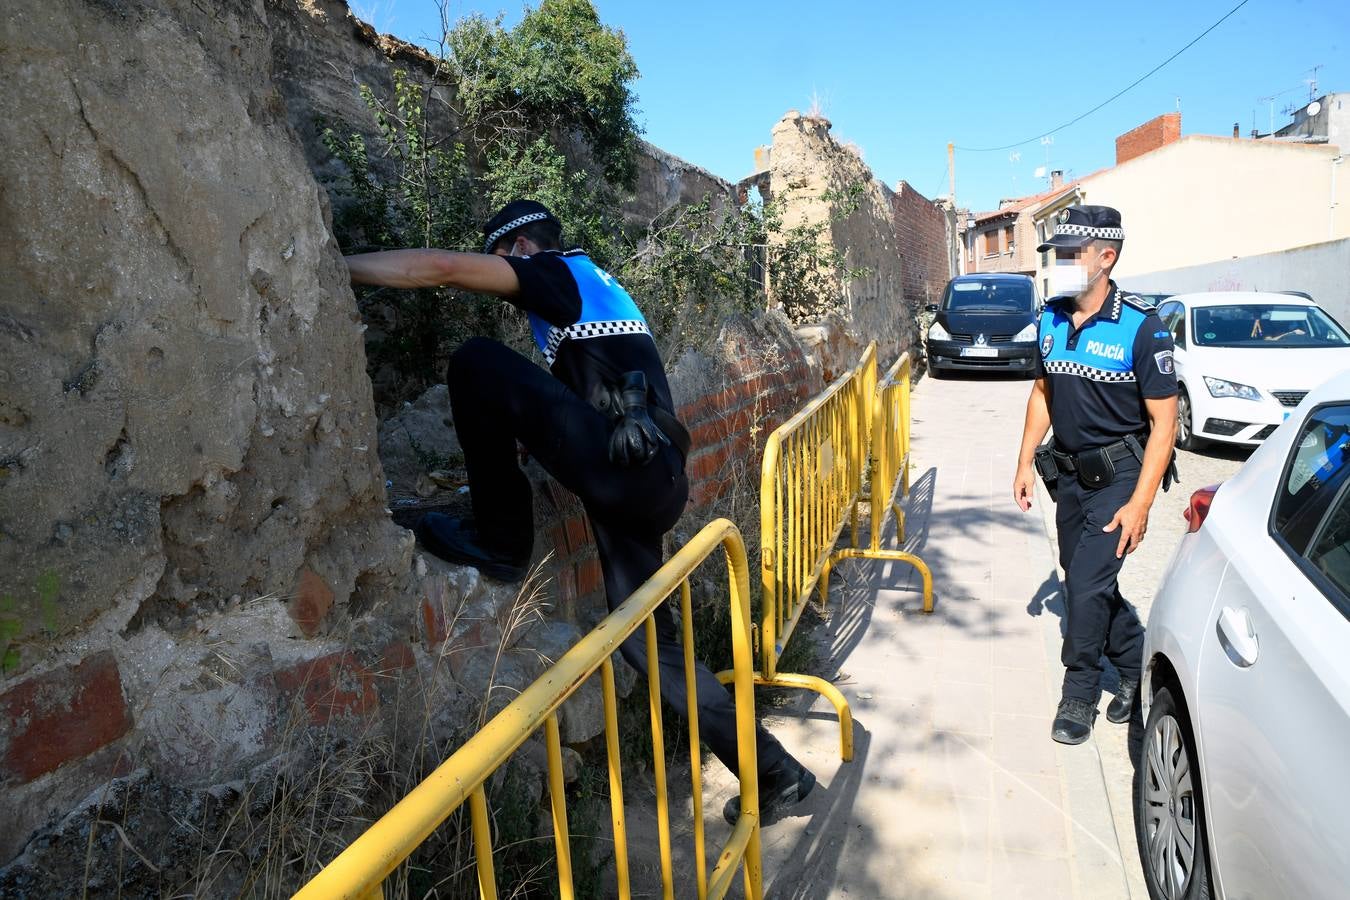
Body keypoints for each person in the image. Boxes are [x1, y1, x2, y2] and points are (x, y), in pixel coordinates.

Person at [344, 199, 815, 822]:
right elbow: (593, 393)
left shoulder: (559, 271)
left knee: (475, 361)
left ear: (517, 250)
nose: (499, 271)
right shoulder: (599, 293)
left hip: (630, 468)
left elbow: (438, 267)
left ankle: (501, 542)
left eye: (500, 259)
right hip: (654, 474)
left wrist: (339, 264)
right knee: (649, 647)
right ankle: (776, 772)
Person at [1012, 205, 1178, 745]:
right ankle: (1134, 665)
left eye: (1068, 254)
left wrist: (1142, 504)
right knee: (1085, 581)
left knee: (1084, 585)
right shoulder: (1051, 318)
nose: (1055, 264)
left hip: (1121, 475)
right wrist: (1023, 462)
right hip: (1069, 477)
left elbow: (1164, 424)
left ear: (1105, 257)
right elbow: (1043, 393)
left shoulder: (1141, 327)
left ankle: (1079, 691)